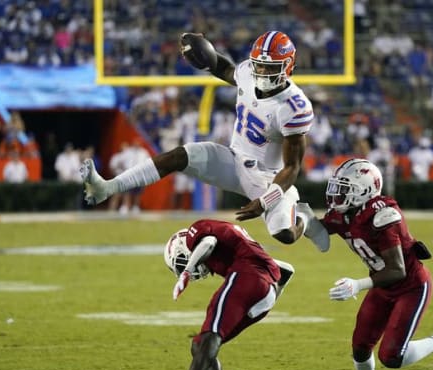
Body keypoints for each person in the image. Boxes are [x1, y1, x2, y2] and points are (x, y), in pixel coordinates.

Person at [80, 31, 328, 251]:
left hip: (267, 177)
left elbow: (292, 167)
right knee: (178, 156)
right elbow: (225, 69)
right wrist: (204, 54)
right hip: (233, 160)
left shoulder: (294, 107)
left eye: (269, 67)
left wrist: (264, 202)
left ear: (288, 66)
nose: (261, 72)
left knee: (283, 235)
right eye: (259, 66)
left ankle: (304, 218)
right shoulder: (248, 74)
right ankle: (107, 188)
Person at [308, 158, 433, 370]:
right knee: (360, 346)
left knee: (392, 356)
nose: (337, 195)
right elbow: (317, 229)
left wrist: (357, 284)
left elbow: (397, 270)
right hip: (383, 286)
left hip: (410, 286)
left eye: (345, 188)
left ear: (363, 189)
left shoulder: (383, 215)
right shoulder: (346, 213)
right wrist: (293, 215)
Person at [157, 219, 295, 370]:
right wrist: (271, 298)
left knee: (211, 332)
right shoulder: (228, 253)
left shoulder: (197, 232)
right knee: (200, 344)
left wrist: (187, 271)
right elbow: (287, 269)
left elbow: (209, 242)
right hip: (265, 293)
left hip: (248, 277)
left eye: (181, 261)